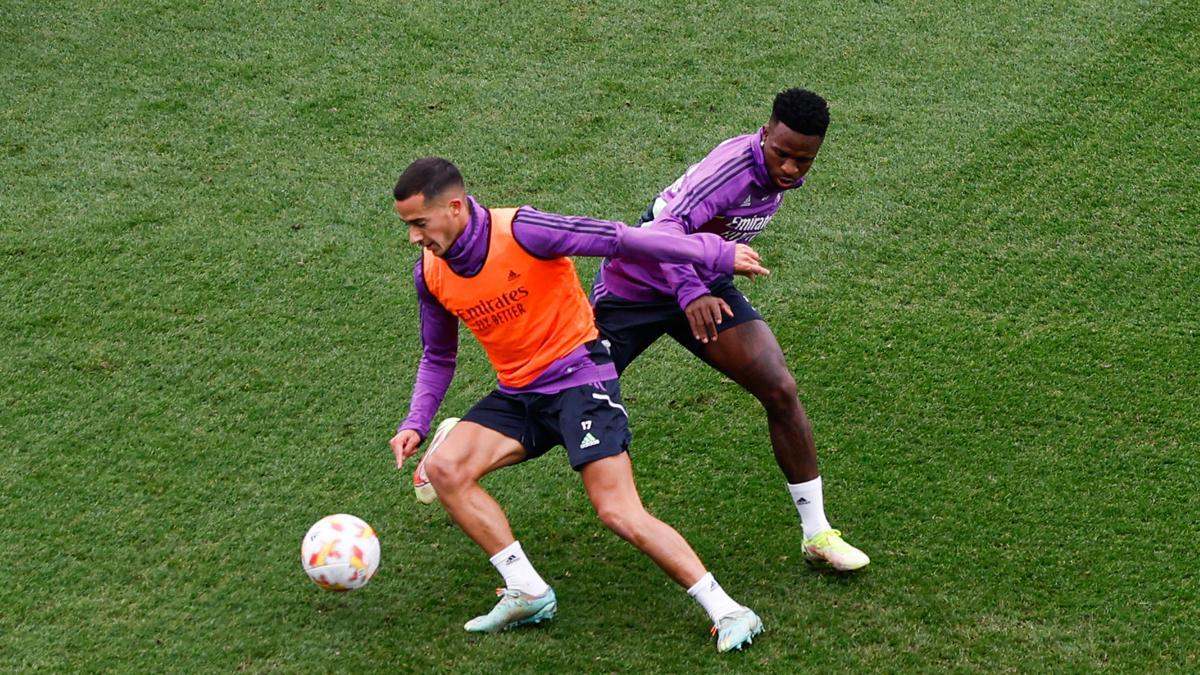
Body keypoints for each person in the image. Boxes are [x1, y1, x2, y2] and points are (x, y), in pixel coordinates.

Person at [388, 157, 769, 652]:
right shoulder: (431, 273)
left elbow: (620, 239)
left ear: (455, 207)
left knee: (617, 511)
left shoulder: (524, 230)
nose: (414, 238)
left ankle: (729, 609)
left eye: (419, 223)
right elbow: (438, 354)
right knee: (445, 468)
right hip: (520, 393)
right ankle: (527, 589)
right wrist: (416, 420)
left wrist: (711, 253)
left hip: (579, 380)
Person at [591, 88, 870, 571]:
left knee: (780, 388)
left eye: (804, 161)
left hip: (703, 280)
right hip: (635, 287)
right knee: (561, 404)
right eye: (781, 154)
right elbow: (663, 229)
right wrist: (690, 294)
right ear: (764, 134)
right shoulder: (731, 169)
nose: (789, 169)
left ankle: (818, 534)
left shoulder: (780, 175)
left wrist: (700, 287)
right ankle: (463, 438)